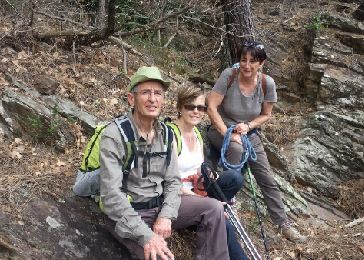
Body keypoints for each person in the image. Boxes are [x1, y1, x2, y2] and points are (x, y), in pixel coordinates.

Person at [100, 66, 230, 260]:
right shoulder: (115, 135)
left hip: (160, 206)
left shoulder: (166, 134)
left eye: (158, 93)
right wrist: (147, 236)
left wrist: (166, 215)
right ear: (131, 99)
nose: (152, 99)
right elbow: (111, 196)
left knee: (214, 208)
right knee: (160, 255)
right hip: (131, 214)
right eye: (145, 92)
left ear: (163, 100)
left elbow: (173, 181)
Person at [207, 41, 307, 243]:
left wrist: (249, 126)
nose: (246, 65)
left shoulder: (266, 83)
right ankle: (224, 205)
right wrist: (228, 133)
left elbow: (266, 115)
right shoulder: (229, 75)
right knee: (234, 148)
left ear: (261, 63)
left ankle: (283, 223)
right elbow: (211, 106)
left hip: (249, 133)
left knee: (266, 177)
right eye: (243, 60)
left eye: (252, 61)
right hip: (221, 129)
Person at [167, 85, 248, 260]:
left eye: (201, 108)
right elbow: (168, 180)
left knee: (234, 177)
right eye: (190, 106)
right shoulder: (171, 136)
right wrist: (208, 203)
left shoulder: (196, 133)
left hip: (197, 189)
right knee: (224, 223)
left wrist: (209, 175)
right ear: (180, 107)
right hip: (177, 195)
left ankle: (213, 212)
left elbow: (199, 167)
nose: (196, 111)